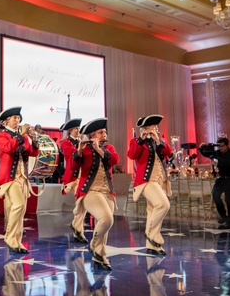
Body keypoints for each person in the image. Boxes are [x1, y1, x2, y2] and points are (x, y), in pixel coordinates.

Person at [73, 117, 121, 270]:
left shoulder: (109, 148)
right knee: (106, 219)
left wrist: (100, 149)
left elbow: (114, 160)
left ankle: (100, 255)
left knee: (104, 224)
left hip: (108, 192)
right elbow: (73, 167)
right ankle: (94, 246)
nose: (104, 134)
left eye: (105, 132)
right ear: (92, 135)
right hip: (90, 192)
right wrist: (79, 151)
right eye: (101, 132)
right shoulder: (84, 149)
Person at [0, 106, 39, 254]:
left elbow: (32, 153)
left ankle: (17, 241)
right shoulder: (1, 136)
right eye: (15, 118)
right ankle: (10, 237)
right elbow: (8, 148)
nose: (17, 121)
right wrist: (22, 135)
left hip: (22, 177)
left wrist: (33, 139)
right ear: (6, 121)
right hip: (9, 178)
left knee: (22, 210)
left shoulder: (24, 136)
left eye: (18, 118)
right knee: (18, 205)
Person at [127, 114, 171, 256]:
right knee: (163, 205)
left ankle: (152, 246)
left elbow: (168, 152)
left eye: (156, 127)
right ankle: (151, 233)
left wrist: (158, 141)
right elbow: (132, 154)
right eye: (153, 127)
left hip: (160, 180)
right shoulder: (136, 141)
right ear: (145, 128)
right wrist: (142, 139)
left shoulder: (160, 141)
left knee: (152, 210)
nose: (156, 129)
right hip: (146, 181)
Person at [58, 118, 86, 242]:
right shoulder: (65, 142)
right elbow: (71, 155)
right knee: (81, 201)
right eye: (76, 129)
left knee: (82, 201)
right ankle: (77, 228)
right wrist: (81, 149)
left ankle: (77, 228)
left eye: (79, 129)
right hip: (73, 176)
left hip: (83, 175)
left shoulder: (82, 142)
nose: (78, 131)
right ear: (70, 130)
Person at [210, 137, 230, 229]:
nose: (220, 148)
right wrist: (204, 146)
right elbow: (207, 153)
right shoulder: (218, 153)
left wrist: (217, 164)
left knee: (229, 199)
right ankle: (224, 216)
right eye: (219, 146)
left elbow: (229, 166)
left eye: (222, 146)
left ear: (227, 145)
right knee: (215, 194)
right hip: (221, 179)